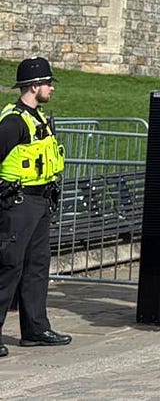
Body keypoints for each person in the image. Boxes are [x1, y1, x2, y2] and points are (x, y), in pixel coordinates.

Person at [0, 57, 71, 355]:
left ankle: (36, 328)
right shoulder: (13, 122)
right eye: (48, 83)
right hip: (17, 203)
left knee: (37, 267)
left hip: (40, 201)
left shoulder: (38, 117)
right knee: (8, 267)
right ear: (33, 86)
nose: (52, 88)